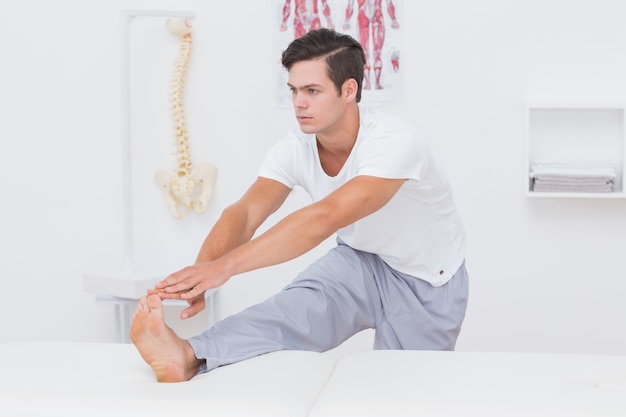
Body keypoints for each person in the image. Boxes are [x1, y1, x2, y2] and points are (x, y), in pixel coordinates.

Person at [131, 28, 468, 383]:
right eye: (294, 90)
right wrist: (202, 276)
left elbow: (324, 218)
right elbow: (245, 214)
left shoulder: (395, 144)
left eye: (312, 91)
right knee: (282, 314)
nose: (298, 102)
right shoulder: (295, 146)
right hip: (360, 261)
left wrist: (225, 268)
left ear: (349, 90)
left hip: (427, 279)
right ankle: (187, 355)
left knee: (402, 390)